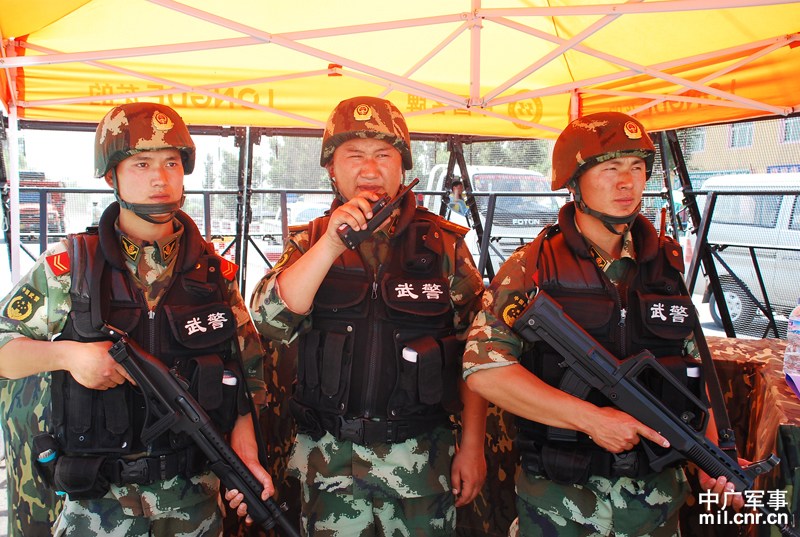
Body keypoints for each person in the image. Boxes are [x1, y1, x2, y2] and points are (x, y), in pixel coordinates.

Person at [463, 111, 743, 536]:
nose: (627, 182)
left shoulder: (665, 265)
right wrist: (591, 419)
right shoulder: (532, 266)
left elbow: (691, 368)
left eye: (637, 168)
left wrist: (711, 456)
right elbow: (483, 369)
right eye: (610, 169)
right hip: (560, 505)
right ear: (574, 181)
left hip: (654, 506)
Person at [0, 102, 273, 536]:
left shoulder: (213, 275)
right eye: (142, 164)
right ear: (111, 176)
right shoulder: (71, 267)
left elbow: (246, 374)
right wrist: (68, 356)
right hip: (97, 509)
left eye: (171, 163)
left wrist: (247, 457)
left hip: (193, 504)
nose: (160, 178)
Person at [250, 96, 488, 536]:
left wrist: (472, 446)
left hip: (421, 463)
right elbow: (268, 320)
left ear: (402, 167)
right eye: (354, 156)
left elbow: (478, 354)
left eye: (383, 155)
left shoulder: (444, 245)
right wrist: (330, 246)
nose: (370, 169)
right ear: (332, 169)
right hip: (329, 465)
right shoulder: (311, 242)